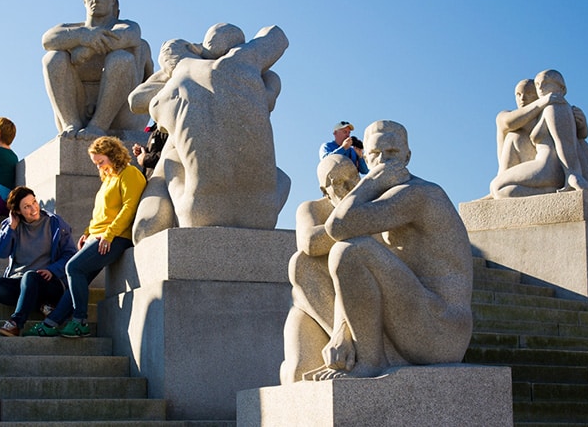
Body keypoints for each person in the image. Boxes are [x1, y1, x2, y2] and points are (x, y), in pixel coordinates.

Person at [283, 120, 474, 382]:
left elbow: (340, 227)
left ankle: (371, 362)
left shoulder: (417, 194)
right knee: (306, 264)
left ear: (407, 156)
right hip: (411, 314)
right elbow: (340, 261)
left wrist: (371, 181)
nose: (383, 161)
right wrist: (343, 329)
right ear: (366, 157)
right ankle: (351, 348)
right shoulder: (380, 203)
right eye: (374, 155)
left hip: (441, 331)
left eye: (392, 153)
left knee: (349, 250)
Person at [127, 23, 290, 242]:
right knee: (282, 177)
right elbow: (277, 35)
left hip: (197, 213)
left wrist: (169, 73)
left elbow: (136, 100)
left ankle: (149, 221)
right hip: (264, 215)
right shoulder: (243, 61)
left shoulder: (163, 98)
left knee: (172, 154)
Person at [26, 136, 146, 337]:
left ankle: (80, 321)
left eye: (101, 161)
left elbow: (129, 208)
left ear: (113, 155)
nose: (98, 166)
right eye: (96, 162)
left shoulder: (129, 174)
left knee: (72, 267)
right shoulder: (108, 178)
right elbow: (100, 212)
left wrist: (108, 235)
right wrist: (87, 232)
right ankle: (51, 323)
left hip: (115, 238)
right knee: (77, 277)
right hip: (98, 236)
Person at [280, 154, 360, 384]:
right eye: (338, 183)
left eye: (353, 178)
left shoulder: (373, 202)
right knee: (297, 374)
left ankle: (352, 343)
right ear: (325, 191)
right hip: (313, 303)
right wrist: (358, 222)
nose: (349, 187)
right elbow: (309, 243)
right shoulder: (312, 209)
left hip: (358, 304)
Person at [42, 0, 152, 139]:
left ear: (113, 1)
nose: (96, 0)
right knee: (53, 57)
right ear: (84, 1)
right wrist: (82, 36)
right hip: (78, 107)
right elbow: (47, 40)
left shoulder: (126, 26)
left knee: (121, 58)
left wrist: (87, 48)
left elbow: (128, 35)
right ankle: (70, 123)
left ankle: (98, 126)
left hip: (121, 114)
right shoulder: (74, 30)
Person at [490, 69, 588, 198]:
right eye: (518, 94)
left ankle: (569, 183)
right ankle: (551, 191)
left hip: (550, 168)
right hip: (531, 173)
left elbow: (574, 139)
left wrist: (582, 124)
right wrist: (543, 102)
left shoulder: (553, 108)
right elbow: (508, 122)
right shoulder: (507, 115)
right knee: (504, 190)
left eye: (528, 93)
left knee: (497, 187)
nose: (522, 98)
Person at [0, 186, 77, 337]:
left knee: (30, 276)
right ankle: (41, 306)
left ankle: (16, 323)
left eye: (34, 202)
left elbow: (70, 254)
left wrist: (53, 270)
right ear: (18, 211)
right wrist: (11, 228)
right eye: (26, 207)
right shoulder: (12, 225)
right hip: (20, 282)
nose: (33, 208)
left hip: (48, 281)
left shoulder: (54, 223)